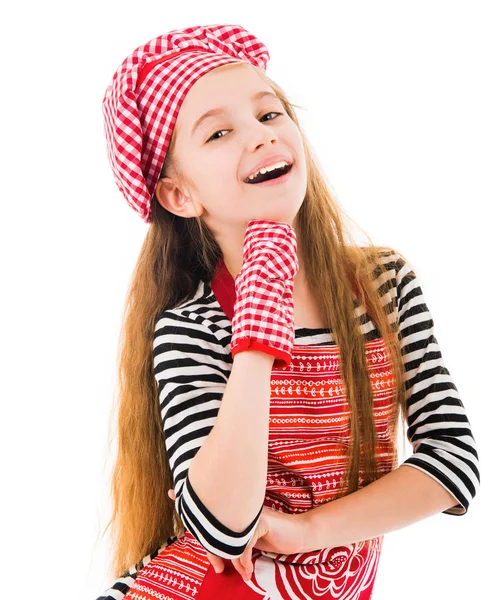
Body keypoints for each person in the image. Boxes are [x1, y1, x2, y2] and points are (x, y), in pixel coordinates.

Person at [96, 24, 480, 600]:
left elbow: (453, 464)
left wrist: (306, 532)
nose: (259, 136)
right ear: (179, 195)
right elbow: (222, 528)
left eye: (270, 115)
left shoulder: (384, 285)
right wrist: (259, 314)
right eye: (219, 132)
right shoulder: (190, 328)